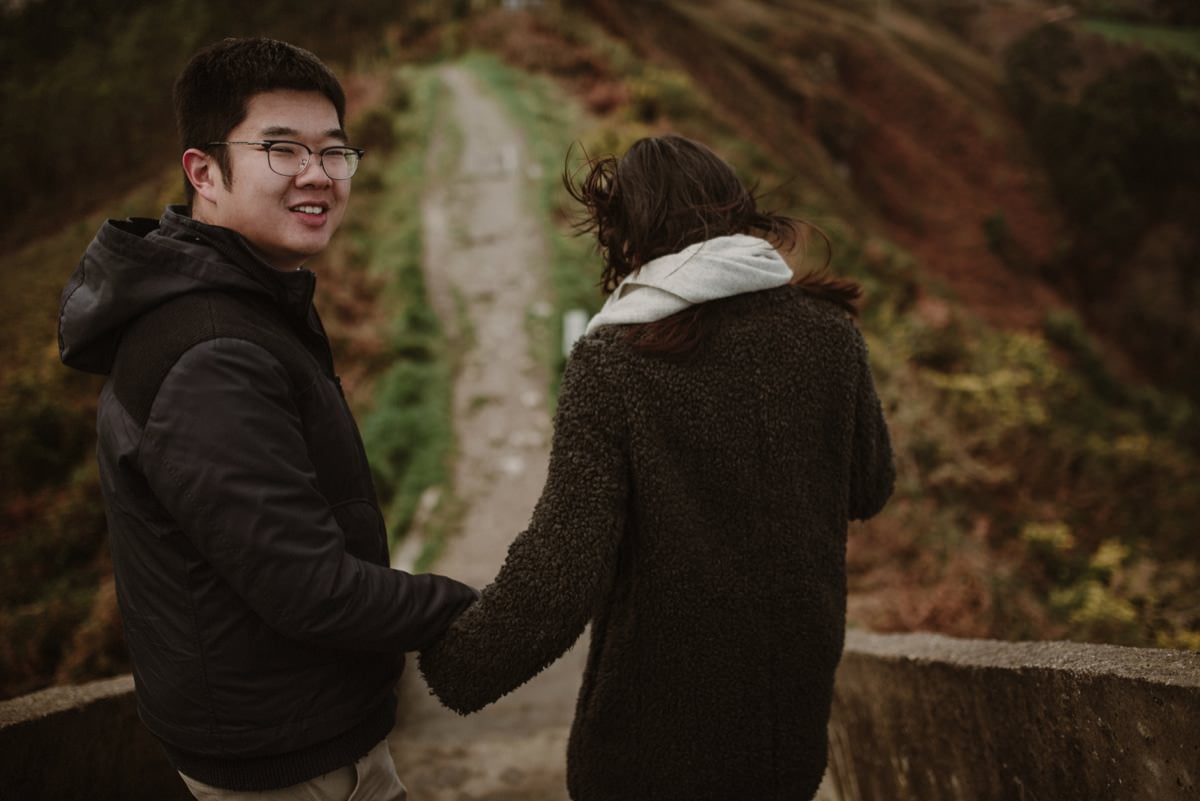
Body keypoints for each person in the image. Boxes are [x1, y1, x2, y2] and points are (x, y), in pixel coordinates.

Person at [57, 37, 477, 800]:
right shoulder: (213, 350)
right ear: (203, 171)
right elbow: (309, 587)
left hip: (287, 728)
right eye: (281, 149)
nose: (317, 175)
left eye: (333, 152)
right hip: (294, 764)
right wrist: (462, 606)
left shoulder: (230, 304)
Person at [418, 134, 895, 800]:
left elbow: (564, 565)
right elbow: (870, 486)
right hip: (788, 731)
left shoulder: (616, 360)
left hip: (651, 749)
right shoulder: (831, 335)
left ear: (630, 238)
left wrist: (451, 662)